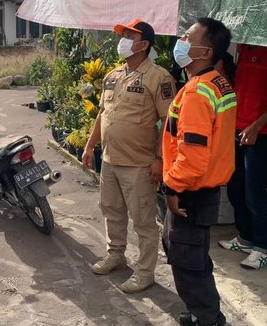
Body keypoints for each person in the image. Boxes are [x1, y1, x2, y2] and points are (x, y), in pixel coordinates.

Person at [82, 18, 176, 293]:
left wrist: (159, 158)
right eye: (123, 35)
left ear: (144, 44)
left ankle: (145, 271)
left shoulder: (159, 78)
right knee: (111, 211)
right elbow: (103, 114)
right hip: (110, 160)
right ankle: (116, 254)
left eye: (129, 36)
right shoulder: (113, 76)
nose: (122, 40)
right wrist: (89, 147)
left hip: (139, 163)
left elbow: (169, 122)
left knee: (144, 221)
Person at [162, 18, 236, 326]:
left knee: (187, 259)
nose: (180, 40)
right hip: (202, 189)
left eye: (187, 36)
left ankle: (207, 319)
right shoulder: (219, 83)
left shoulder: (198, 92)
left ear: (204, 51)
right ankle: (202, 313)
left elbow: (192, 157)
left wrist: (171, 188)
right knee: (191, 255)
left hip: (190, 191)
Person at [218, 44, 267, 270]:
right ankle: (245, 237)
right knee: (235, 186)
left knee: (254, 193)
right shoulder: (244, 49)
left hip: (260, 134)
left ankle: (262, 248)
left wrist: (256, 126)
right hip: (237, 128)